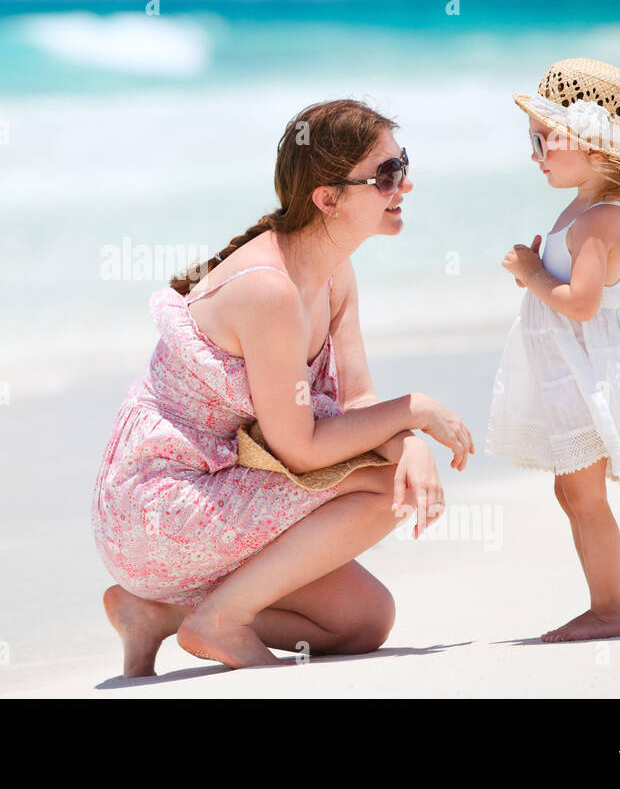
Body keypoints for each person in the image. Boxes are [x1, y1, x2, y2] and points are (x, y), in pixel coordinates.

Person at [91, 98, 474, 676]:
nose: (406, 184)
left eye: (404, 165)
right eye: (388, 174)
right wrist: (414, 412)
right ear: (327, 198)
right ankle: (220, 620)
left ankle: (159, 612)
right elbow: (301, 447)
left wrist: (408, 437)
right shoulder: (268, 289)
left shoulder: (333, 270)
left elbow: (358, 405)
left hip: (221, 490)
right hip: (157, 508)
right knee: (383, 486)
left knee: (364, 621)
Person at [486, 58, 620, 644]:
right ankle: (603, 603)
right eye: (533, 142)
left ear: (594, 146)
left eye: (546, 140)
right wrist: (536, 276)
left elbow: (583, 304)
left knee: (584, 495)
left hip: (586, 375)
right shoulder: (581, 211)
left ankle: (609, 608)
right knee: (570, 490)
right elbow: (566, 291)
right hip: (564, 372)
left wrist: (529, 271)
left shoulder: (604, 218)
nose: (537, 154)